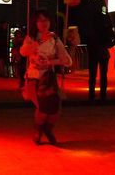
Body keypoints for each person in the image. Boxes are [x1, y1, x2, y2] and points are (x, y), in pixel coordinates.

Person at [20, 10, 72, 145]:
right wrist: (39, 41)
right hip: (34, 78)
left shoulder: (54, 39)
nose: (43, 23)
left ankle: (48, 130)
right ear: (35, 23)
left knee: (55, 109)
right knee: (43, 107)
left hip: (49, 78)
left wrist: (50, 62)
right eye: (40, 20)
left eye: (46, 20)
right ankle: (38, 130)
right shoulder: (31, 38)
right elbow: (23, 51)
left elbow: (67, 60)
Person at [86, 12, 115, 102]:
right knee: (103, 75)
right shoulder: (105, 28)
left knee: (92, 75)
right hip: (103, 53)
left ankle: (91, 94)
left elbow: (88, 41)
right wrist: (109, 45)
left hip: (93, 53)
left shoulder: (92, 29)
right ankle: (103, 94)